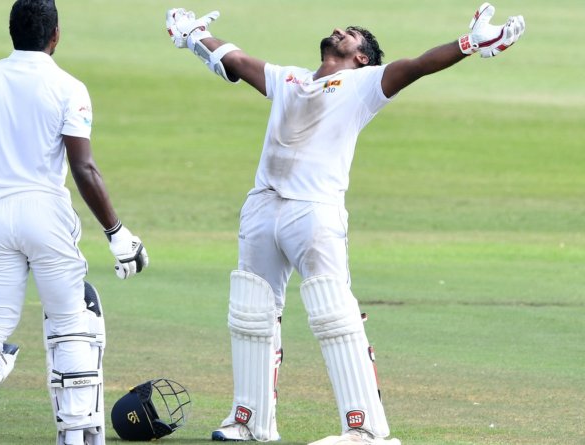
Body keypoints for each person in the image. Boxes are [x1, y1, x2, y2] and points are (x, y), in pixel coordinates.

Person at [166, 3, 524, 445]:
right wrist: (193, 34)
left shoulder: (364, 83)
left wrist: (468, 44)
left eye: (350, 34)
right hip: (263, 205)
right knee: (251, 311)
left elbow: (418, 66)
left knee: (334, 313)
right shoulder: (291, 78)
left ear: (362, 58)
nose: (338, 31)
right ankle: (250, 420)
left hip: (314, 212)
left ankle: (366, 430)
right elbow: (236, 60)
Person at [0, 1, 149, 444]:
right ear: (55, 34)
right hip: (46, 216)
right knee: (71, 325)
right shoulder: (69, 87)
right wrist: (118, 234)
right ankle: (79, 433)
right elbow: (84, 169)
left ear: (12, 32)